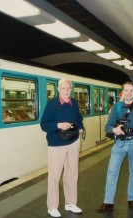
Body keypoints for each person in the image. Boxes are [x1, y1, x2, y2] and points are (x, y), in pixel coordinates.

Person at [97, 81, 133, 213]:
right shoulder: (117, 107)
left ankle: (131, 199)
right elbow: (107, 126)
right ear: (122, 92)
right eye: (126, 90)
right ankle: (108, 202)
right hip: (120, 144)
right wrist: (114, 129)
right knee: (112, 172)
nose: (128, 93)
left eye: (131, 90)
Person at [40, 78, 84, 218]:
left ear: (71, 89)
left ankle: (70, 203)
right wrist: (58, 125)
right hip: (56, 144)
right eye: (63, 88)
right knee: (54, 176)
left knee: (72, 174)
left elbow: (79, 119)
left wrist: (81, 129)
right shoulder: (52, 104)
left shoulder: (74, 103)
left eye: (68, 88)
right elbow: (44, 124)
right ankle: (52, 207)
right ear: (58, 89)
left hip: (73, 142)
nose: (66, 91)